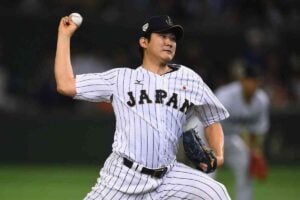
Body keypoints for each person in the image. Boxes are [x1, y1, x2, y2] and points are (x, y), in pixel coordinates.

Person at [54, 14, 231, 200]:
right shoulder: (121, 79)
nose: (169, 42)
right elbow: (65, 85)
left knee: (216, 193)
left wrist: (218, 155)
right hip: (123, 177)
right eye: (162, 36)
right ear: (144, 42)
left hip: (168, 176)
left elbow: (212, 119)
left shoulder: (189, 78)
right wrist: (64, 36)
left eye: (173, 38)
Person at [214, 66, 270, 200]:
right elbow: (209, 122)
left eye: (255, 81)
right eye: (249, 80)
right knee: (207, 175)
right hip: (207, 134)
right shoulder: (225, 96)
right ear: (242, 81)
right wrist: (216, 150)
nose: (252, 84)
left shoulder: (261, 101)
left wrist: (255, 151)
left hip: (230, 137)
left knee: (245, 164)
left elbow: (256, 130)